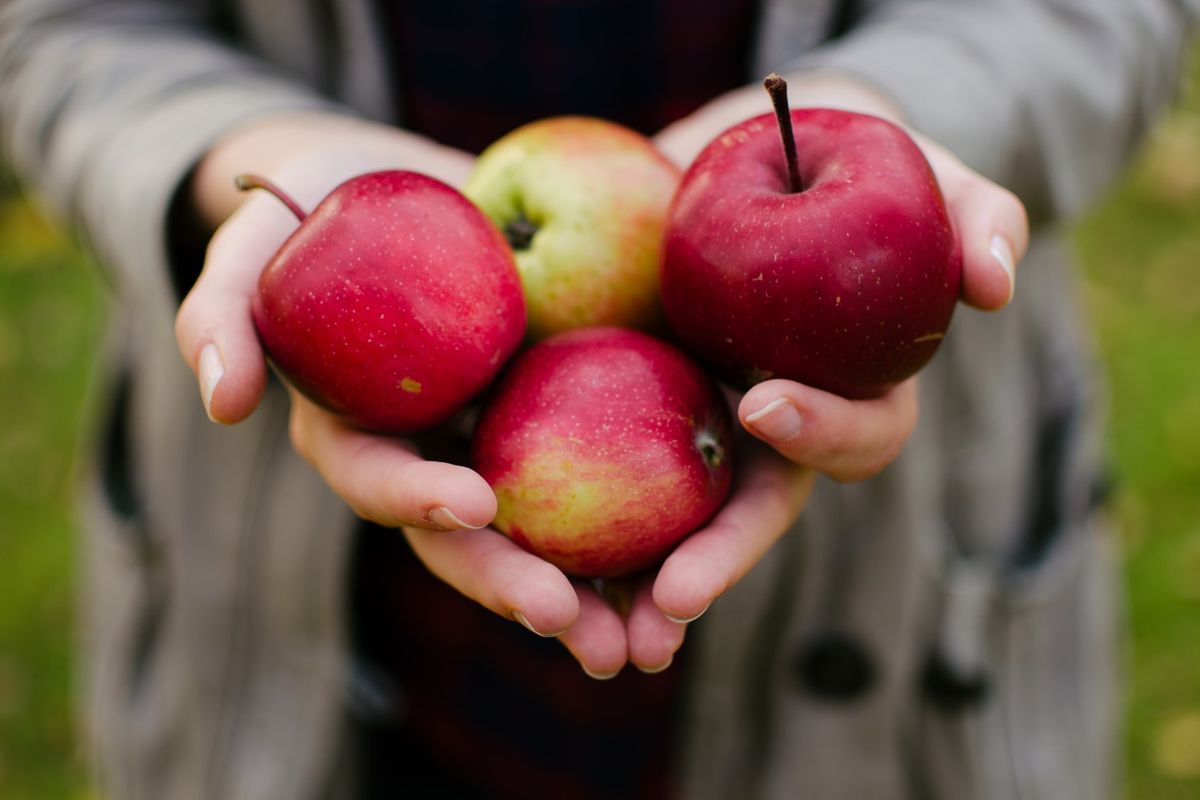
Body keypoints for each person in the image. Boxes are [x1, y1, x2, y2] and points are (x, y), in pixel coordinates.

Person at [0, 0, 1194, 797]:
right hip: (314, 610)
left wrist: (889, 97)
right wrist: (231, 149)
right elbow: (59, 28)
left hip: (889, 596)